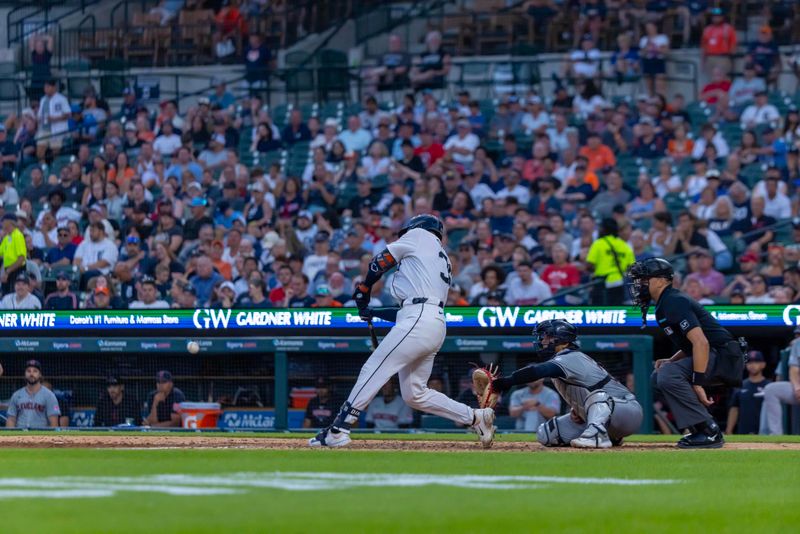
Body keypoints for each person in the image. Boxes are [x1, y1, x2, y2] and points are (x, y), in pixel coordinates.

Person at [309, 215, 495, 448]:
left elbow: (381, 260)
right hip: (431, 321)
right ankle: (476, 417)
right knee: (414, 394)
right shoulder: (440, 255)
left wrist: (364, 287)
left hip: (419, 319)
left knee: (374, 366)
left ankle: (339, 428)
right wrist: (374, 312)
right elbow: (411, 307)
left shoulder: (419, 235)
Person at [627, 257, 745, 448]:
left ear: (661, 280)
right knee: (660, 374)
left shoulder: (674, 301)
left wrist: (697, 383)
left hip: (724, 356)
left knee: (668, 374)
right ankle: (699, 429)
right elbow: (691, 345)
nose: (640, 285)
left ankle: (709, 430)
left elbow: (701, 343)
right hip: (715, 354)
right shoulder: (665, 303)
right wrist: (671, 359)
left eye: (644, 279)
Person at [488, 320, 642, 448]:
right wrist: (581, 410)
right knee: (546, 434)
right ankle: (609, 435)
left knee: (599, 396)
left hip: (627, 410)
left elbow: (537, 371)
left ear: (563, 341)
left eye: (547, 337)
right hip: (608, 416)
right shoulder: (563, 358)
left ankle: (597, 435)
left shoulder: (570, 356)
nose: (542, 341)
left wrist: (504, 383)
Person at [759, 328, 800, 435]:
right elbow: (794, 369)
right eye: (797, 335)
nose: (797, 337)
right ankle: (775, 435)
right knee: (771, 390)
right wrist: (797, 388)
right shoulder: (797, 344)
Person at [586, 218, 634, 305]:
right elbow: (631, 268)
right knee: (615, 312)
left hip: (601, 283)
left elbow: (589, 265)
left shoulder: (598, 243)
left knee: (600, 312)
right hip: (618, 283)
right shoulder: (625, 245)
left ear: (603, 229)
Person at [5, 360, 60, 429]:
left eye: (35, 371)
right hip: (20, 435)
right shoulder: (16, 395)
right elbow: (11, 420)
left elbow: (54, 423)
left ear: (40, 374)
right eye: (28, 371)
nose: (31, 374)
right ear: (25, 374)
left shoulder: (49, 396)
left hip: (40, 435)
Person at [725, 351, 770, 435]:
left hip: (765, 430)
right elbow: (734, 409)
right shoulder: (740, 386)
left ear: (763, 364)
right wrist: (729, 429)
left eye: (756, 362)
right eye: (749, 362)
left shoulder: (770, 386)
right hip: (743, 430)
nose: (753, 365)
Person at [0, 213, 28, 293]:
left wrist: (7, 272)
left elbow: (21, 258)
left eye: (3, 222)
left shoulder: (18, 236)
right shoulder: (7, 237)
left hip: (17, 271)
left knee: (13, 296)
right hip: (8, 270)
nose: (2, 224)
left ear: (9, 222)